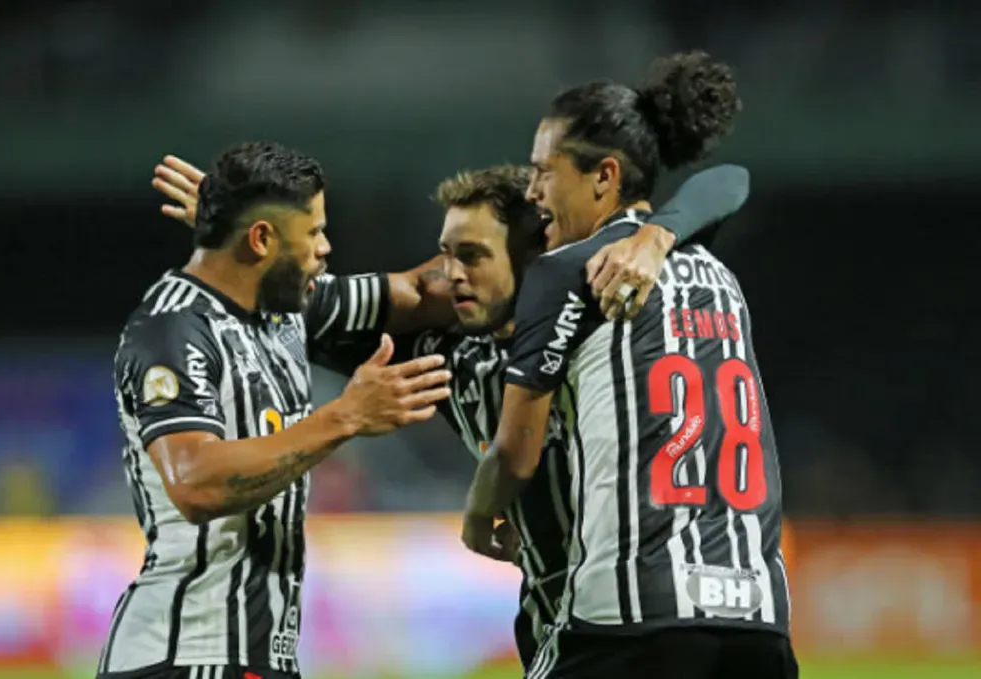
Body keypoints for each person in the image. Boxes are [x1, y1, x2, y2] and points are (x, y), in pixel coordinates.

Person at [150, 157, 746, 671]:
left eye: (473, 256)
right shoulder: (444, 352)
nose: (450, 275)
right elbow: (307, 303)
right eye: (445, 256)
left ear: (538, 252)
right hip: (555, 624)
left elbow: (728, 181)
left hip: (632, 612)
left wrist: (657, 236)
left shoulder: (600, 314)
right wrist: (250, 231)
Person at [462, 51, 798, 679]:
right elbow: (732, 180)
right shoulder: (717, 271)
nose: (530, 191)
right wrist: (661, 232)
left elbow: (514, 453)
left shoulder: (569, 272)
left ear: (603, 175)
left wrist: (479, 517)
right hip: (758, 620)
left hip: (634, 618)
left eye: (544, 172)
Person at [99, 141, 458, 679]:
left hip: (255, 656)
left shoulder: (286, 312)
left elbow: (421, 292)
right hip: (188, 655)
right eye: (312, 232)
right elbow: (197, 484)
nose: (326, 247)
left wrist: (538, 232)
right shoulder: (173, 328)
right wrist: (346, 416)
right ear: (262, 239)